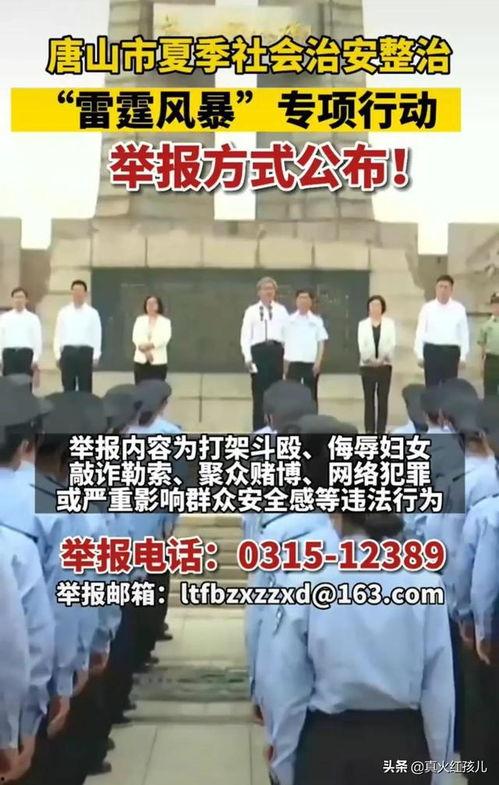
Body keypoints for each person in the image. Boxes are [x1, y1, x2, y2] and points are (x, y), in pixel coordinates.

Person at [255, 508, 454, 785]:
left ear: (336, 513)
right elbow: (439, 690)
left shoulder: (305, 579)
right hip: (402, 743)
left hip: (328, 746)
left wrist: (284, 762)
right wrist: (440, 770)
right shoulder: (424, 581)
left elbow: (285, 683)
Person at [240, 277, 289, 431]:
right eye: (265, 289)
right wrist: (248, 358)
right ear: (259, 292)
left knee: (276, 393)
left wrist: (287, 357)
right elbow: (245, 336)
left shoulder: (281, 310)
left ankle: (276, 429)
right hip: (258, 354)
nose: (269, 292)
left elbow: (288, 335)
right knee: (259, 393)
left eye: (271, 289)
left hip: (276, 352)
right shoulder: (251, 311)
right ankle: (259, 430)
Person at [414, 274, 469, 388]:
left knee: (449, 388)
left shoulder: (459, 308)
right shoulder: (427, 308)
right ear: (436, 289)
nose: (443, 290)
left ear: (451, 290)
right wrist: (419, 354)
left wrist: (463, 356)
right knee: (431, 387)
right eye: (440, 287)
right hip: (432, 351)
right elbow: (420, 332)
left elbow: (464, 334)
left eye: (446, 287)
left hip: (451, 352)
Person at [53, 279, 102, 393]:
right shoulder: (63, 312)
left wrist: (96, 355)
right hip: (68, 352)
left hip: (85, 353)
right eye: (75, 291)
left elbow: (97, 335)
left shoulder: (92, 313)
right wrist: (57, 355)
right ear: (71, 293)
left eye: (80, 291)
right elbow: (58, 334)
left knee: (85, 387)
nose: (77, 294)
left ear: (85, 293)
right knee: (68, 387)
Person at [357, 295, 396, 433]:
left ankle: (381, 430)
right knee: (369, 399)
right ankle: (369, 430)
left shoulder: (389, 324)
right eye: (372, 305)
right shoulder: (362, 324)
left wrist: (382, 359)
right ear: (368, 308)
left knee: (383, 399)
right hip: (367, 366)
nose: (375, 308)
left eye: (378, 305)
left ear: (382, 307)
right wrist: (370, 359)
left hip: (385, 365)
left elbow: (391, 344)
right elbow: (362, 345)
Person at [283, 289, 328, 403]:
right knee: (292, 395)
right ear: (296, 301)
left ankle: (311, 414)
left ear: (311, 302)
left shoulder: (317, 321)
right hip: (293, 363)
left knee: (311, 394)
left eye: (306, 298)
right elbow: (284, 342)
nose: (303, 301)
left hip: (310, 363)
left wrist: (318, 362)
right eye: (301, 298)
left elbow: (321, 343)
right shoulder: (289, 320)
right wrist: (285, 363)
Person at [0, 287, 42, 385]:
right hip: (9, 355)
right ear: (12, 299)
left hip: (26, 355)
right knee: (9, 386)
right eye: (16, 297)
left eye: (21, 297)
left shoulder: (33, 318)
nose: (18, 300)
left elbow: (37, 340)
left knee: (25, 386)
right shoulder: (4, 318)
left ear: (26, 300)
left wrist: (35, 359)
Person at [132, 295, 171, 384]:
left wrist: (149, 346)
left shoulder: (165, 322)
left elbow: (164, 338)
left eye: (153, 303)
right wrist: (146, 352)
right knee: (140, 388)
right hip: (141, 361)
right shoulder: (140, 320)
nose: (150, 305)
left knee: (157, 387)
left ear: (158, 306)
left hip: (158, 361)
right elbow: (136, 337)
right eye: (148, 303)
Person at [477, 291, 499, 397]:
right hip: (491, 361)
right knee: (490, 392)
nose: (497, 307)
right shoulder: (486, 325)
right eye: (495, 304)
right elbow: (483, 347)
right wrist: (482, 365)